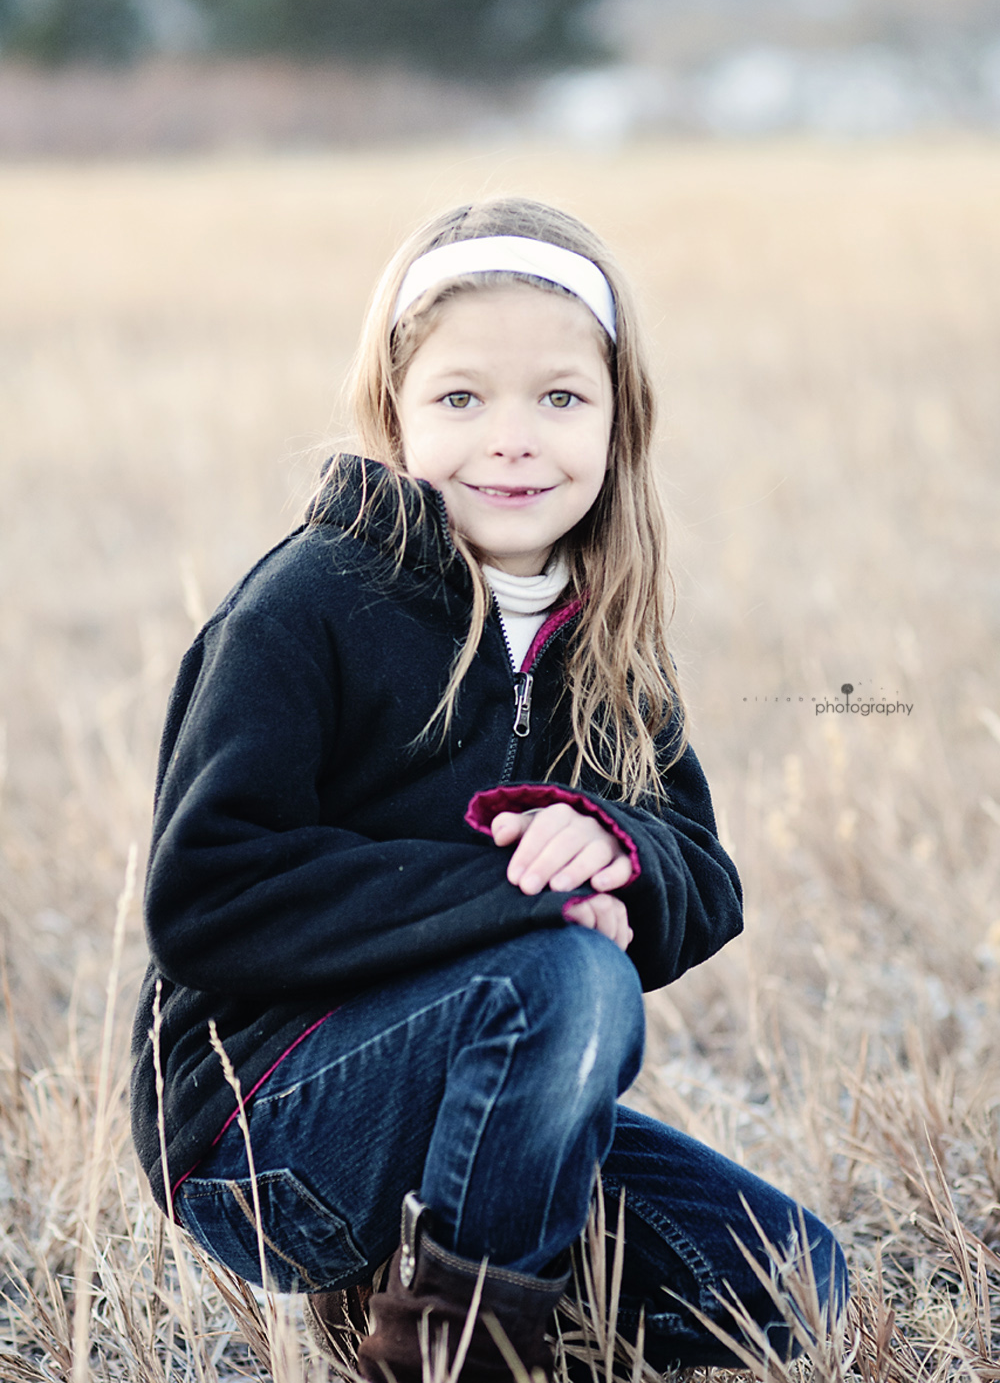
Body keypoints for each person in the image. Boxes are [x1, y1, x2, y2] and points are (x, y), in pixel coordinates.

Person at [130, 197, 847, 1381]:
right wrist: (519, 892)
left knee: (792, 1285)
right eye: (461, 398)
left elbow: (704, 874)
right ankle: (449, 1358)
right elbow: (207, 895)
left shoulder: (601, 625)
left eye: (559, 398)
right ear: (394, 413)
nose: (511, 440)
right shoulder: (306, 607)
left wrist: (615, 847)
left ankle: (433, 1291)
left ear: (619, 420)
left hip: (473, 1100)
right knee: (566, 976)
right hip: (261, 1129)